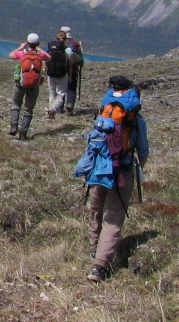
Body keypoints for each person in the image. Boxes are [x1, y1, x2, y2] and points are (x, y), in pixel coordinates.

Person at [85, 75, 149, 282]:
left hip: (99, 170)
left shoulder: (104, 116)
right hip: (122, 171)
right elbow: (144, 152)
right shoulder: (137, 122)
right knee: (113, 218)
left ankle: (94, 248)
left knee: (95, 209)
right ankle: (100, 267)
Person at [8, 33, 51, 140]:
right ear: (37, 43)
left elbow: (11, 55)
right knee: (28, 110)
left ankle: (14, 127)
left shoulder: (22, 54)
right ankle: (23, 134)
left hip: (21, 85)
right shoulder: (40, 56)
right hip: (34, 87)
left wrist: (21, 46)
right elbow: (49, 57)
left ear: (27, 42)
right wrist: (39, 49)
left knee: (16, 104)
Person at [44, 28, 71, 119]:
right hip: (62, 74)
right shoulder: (67, 50)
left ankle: (51, 112)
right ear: (65, 39)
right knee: (61, 94)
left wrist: (45, 71)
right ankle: (52, 110)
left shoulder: (50, 48)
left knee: (52, 93)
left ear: (56, 38)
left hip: (51, 74)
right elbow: (70, 62)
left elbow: (47, 60)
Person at [62, 26, 84, 115]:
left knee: (61, 89)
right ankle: (70, 105)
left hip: (61, 69)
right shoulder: (75, 44)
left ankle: (59, 107)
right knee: (71, 87)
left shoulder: (59, 43)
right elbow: (80, 58)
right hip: (73, 69)